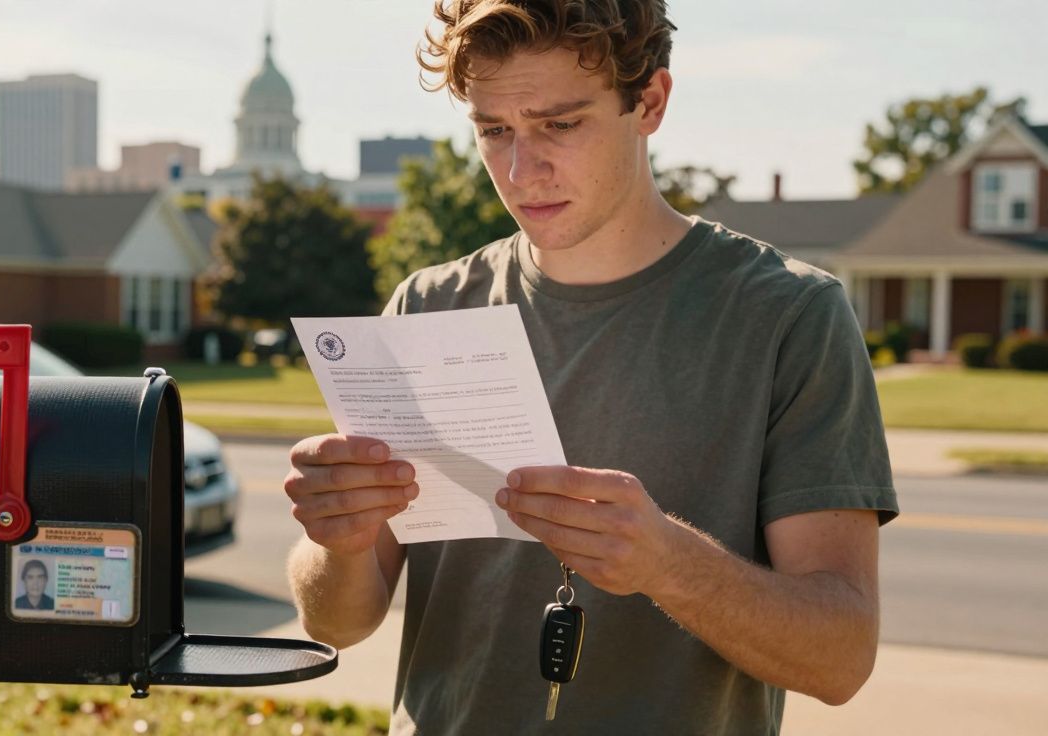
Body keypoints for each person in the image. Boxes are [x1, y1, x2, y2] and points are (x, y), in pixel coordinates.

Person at [284, 1, 898, 733]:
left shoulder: (789, 316)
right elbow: (338, 623)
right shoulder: (427, 307)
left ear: (650, 102)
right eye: (494, 131)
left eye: (560, 124)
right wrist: (336, 541)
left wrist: (666, 562)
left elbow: (841, 659)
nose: (521, 169)